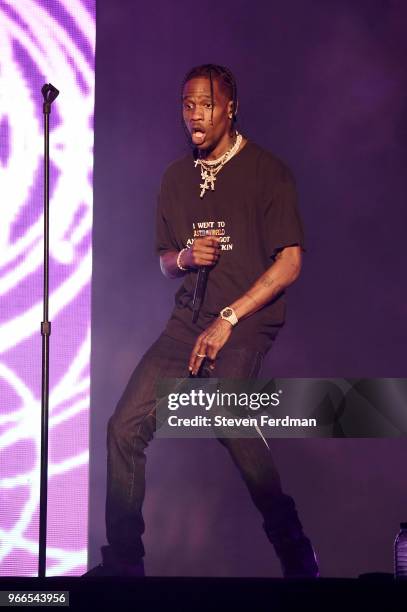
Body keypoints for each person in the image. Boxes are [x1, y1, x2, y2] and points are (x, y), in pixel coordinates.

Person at [86, 64, 319, 578]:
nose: (195, 114)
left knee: (226, 414)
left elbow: (291, 262)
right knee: (123, 426)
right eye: (187, 104)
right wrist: (187, 259)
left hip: (246, 320)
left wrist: (230, 317)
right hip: (187, 321)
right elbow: (165, 261)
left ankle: (295, 550)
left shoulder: (267, 171)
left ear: (230, 107)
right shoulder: (175, 178)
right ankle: (124, 563)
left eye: (206, 104)